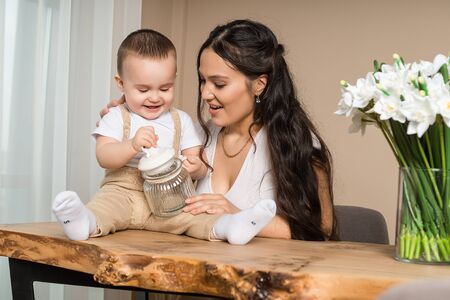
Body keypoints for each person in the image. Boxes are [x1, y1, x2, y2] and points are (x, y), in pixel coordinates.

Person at [102, 19, 336, 241]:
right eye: (203, 81)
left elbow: (321, 230)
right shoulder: (198, 136)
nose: (205, 94)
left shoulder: (295, 143)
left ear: (259, 85)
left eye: (219, 84)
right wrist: (127, 118)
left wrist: (235, 212)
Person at [52, 29, 276, 245]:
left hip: (167, 199)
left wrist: (193, 167)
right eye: (143, 90)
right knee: (105, 209)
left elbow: (199, 163)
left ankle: (230, 227)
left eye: (165, 88)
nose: (154, 97)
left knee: (194, 218)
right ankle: (83, 222)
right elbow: (104, 156)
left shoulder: (182, 121)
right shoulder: (117, 116)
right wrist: (131, 145)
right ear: (121, 84)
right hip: (123, 191)